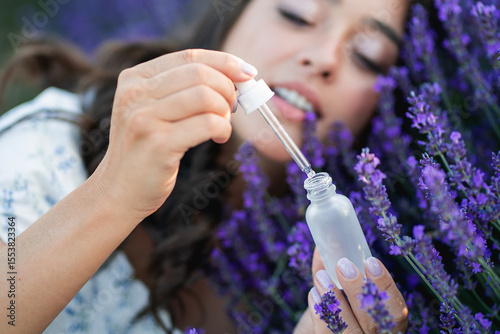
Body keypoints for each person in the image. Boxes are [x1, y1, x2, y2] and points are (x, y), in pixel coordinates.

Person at [0, 0, 410, 332]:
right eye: (297, 14)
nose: (324, 58)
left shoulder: (285, 279)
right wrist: (113, 193)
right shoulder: (51, 147)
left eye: (368, 57)